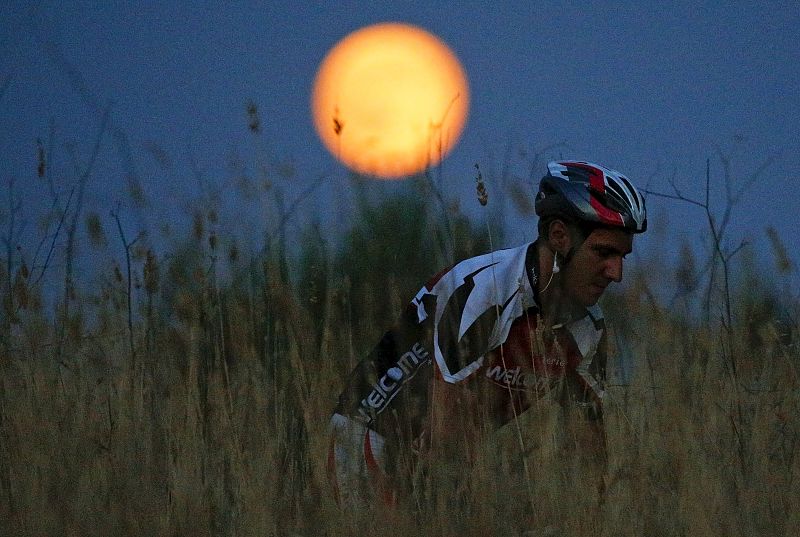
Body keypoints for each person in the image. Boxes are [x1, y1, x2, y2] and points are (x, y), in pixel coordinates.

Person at [327, 160, 647, 507]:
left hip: (443, 463)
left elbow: (589, 437)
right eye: (604, 253)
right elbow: (445, 434)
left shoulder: (589, 328)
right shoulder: (487, 290)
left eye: (622, 256)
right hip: (371, 439)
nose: (616, 273)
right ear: (559, 236)